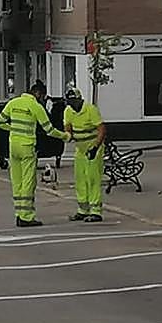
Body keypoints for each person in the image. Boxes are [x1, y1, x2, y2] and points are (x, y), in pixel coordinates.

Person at [0, 81, 68, 227]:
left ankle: (18, 214)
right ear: (38, 94)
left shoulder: (13, 103)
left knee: (17, 181)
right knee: (28, 182)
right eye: (42, 96)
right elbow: (49, 130)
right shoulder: (36, 106)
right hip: (27, 147)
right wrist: (65, 136)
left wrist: (13, 128)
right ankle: (27, 217)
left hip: (13, 147)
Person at [62, 86, 107, 222]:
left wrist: (95, 147)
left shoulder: (90, 109)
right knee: (80, 178)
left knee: (93, 178)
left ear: (79, 99)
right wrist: (67, 135)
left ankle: (96, 211)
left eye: (73, 102)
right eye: (69, 102)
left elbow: (101, 130)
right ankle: (83, 209)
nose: (72, 105)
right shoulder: (68, 111)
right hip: (80, 149)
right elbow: (68, 127)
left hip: (93, 147)